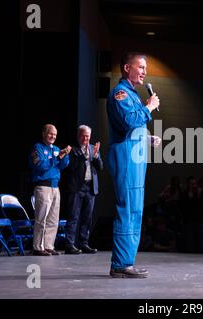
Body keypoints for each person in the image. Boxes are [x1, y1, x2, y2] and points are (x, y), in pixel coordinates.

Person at [106, 52, 161, 278]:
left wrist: (147, 138)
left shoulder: (134, 95)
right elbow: (129, 121)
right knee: (127, 209)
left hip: (136, 159)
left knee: (136, 211)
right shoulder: (120, 93)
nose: (144, 72)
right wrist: (148, 107)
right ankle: (119, 264)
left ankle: (127, 262)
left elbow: (133, 127)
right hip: (126, 158)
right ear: (127, 68)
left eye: (145, 69)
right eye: (141, 67)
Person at [29, 124, 71, 256]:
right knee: (41, 218)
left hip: (55, 187)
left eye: (55, 135)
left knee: (53, 219)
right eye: (50, 133)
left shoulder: (57, 149)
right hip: (43, 186)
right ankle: (38, 247)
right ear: (44, 134)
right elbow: (40, 165)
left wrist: (65, 155)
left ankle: (48, 245)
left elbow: (63, 165)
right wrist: (57, 158)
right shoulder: (38, 148)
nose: (53, 136)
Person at [63, 125, 103, 254]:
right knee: (73, 216)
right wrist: (83, 156)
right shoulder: (73, 150)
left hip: (90, 188)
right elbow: (71, 167)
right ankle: (69, 244)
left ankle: (84, 243)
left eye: (88, 136)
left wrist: (96, 156)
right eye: (83, 135)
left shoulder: (93, 149)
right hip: (76, 187)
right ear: (78, 136)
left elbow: (100, 167)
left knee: (87, 217)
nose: (86, 138)